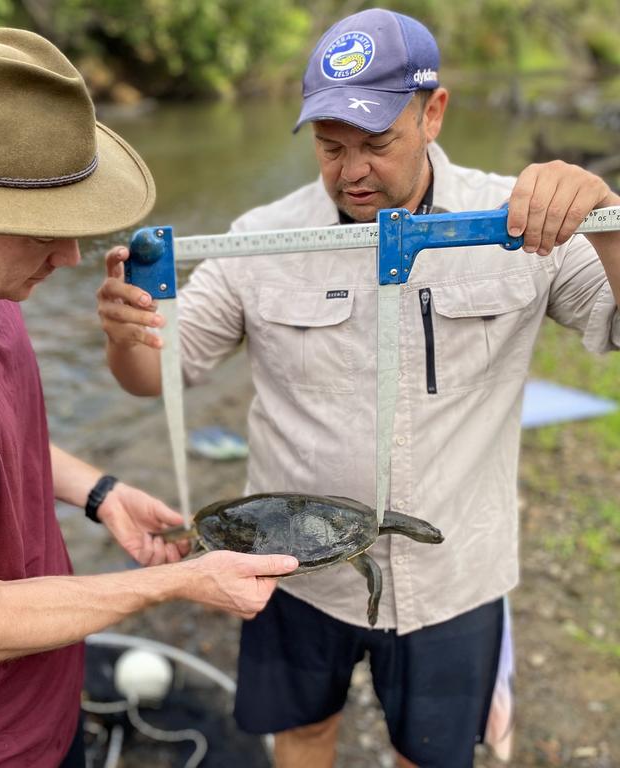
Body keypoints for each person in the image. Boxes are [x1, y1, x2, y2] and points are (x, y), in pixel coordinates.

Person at [96, 9, 620, 768]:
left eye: (377, 143)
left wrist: (604, 222)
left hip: (454, 573)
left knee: (431, 751)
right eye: (330, 145)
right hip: (294, 572)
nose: (350, 171)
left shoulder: (517, 224)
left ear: (433, 112)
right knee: (303, 732)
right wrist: (125, 333)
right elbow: (155, 377)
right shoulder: (260, 238)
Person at [0, 28, 299, 768]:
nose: (68, 257)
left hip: (40, 710)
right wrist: (180, 582)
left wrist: (100, 493)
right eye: (43, 230)